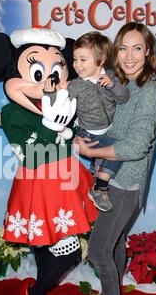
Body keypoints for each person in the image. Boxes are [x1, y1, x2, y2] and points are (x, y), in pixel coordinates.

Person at [0, 27, 98, 295]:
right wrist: (55, 128)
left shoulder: (62, 104)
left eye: (57, 68)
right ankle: (33, 293)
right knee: (56, 247)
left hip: (66, 180)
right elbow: (30, 152)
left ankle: (38, 293)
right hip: (39, 185)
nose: (50, 79)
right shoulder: (14, 112)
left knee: (56, 246)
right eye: (39, 70)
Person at [75, 22, 156, 295]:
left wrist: (90, 149)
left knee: (99, 250)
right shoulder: (116, 81)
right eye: (123, 48)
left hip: (125, 185)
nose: (129, 56)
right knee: (111, 244)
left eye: (137, 48)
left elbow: (136, 145)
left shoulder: (152, 91)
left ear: (148, 52)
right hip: (106, 178)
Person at [43, 31, 130, 212]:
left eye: (83, 59)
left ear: (101, 59)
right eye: (75, 59)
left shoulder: (111, 77)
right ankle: (99, 187)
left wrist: (113, 85)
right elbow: (61, 108)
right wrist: (51, 94)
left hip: (109, 130)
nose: (76, 65)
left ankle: (97, 170)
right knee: (118, 150)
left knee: (120, 146)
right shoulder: (76, 85)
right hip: (88, 134)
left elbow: (123, 99)